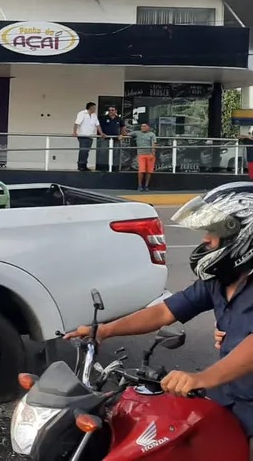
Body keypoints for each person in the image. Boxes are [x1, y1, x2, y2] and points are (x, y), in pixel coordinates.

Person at [65, 182, 253, 458]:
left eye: (213, 232)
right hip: (228, 398)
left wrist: (200, 377)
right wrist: (104, 330)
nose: (206, 240)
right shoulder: (218, 282)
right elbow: (164, 312)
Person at [124, 122, 157, 191]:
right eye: (142, 126)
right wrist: (122, 134)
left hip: (150, 154)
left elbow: (154, 144)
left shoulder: (152, 134)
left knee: (149, 171)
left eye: (144, 126)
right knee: (141, 170)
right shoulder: (137, 133)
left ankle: (146, 186)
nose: (143, 128)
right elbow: (126, 134)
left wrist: (152, 153)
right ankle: (139, 185)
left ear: (148, 127)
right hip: (141, 154)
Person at [72, 102, 103, 171]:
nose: (95, 109)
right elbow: (76, 123)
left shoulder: (94, 115)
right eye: (94, 107)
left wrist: (101, 133)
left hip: (90, 136)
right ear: (90, 107)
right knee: (83, 151)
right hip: (83, 135)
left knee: (86, 151)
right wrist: (74, 132)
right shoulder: (82, 113)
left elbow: (97, 125)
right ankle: (81, 166)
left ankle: (84, 165)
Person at [96, 105, 126, 172]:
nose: (110, 111)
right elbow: (98, 126)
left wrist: (122, 134)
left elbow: (123, 127)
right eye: (109, 110)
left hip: (116, 138)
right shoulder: (103, 118)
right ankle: (103, 168)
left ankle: (115, 168)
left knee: (116, 153)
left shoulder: (119, 118)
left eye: (112, 110)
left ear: (115, 111)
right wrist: (101, 133)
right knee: (103, 153)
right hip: (105, 138)